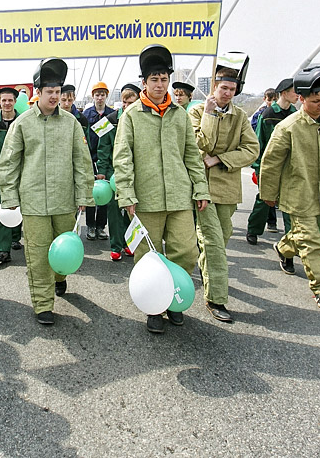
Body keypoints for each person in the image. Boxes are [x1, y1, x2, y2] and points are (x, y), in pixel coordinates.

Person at [114, 45, 209, 334]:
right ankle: (153, 308)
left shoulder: (180, 113)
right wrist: (126, 194)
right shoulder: (131, 115)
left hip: (180, 196)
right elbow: (122, 156)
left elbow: (191, 154)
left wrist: (200, 188)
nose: (159, 84)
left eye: (164, 79)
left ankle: (172, 301)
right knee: (148, 258)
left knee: (186, 251)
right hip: (146, 199)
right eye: (154, 79)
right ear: (144, 82)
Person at [0, 58, 94, 326]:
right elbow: (8, 162)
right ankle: (42, 304)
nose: (55, 96)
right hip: (34, 203)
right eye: (49, 91)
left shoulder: (71, 123)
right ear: (38, 92)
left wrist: (84, 195)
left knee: (64, 250)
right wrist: (10, 198)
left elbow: (82, 160)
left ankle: (60, 277)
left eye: (58, 92)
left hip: (65, 201)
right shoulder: (23, 123)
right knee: (39, 255)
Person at [259, 66, 320, 312]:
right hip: (299, 195)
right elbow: (271, 163)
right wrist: (269, 194)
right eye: (316, 101)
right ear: (302, 99)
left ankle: (283, 248)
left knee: (306, 236)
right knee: (310, 241)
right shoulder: (288, 127)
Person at [188, 54, 259, 323]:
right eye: (223, 88)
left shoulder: (240, 116)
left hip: (228, 188)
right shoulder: (196, 112)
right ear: (214, 87)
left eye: (232, 89)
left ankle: (208, 274)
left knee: (222, 236)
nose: (228, 93)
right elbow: (196, 145)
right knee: (213, 242)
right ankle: (216, 298)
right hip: (202, 188)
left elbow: (252, 149)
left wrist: (221, 158)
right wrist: (207, 114)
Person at [246, 78, 297, 243]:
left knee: (290, 202)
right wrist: (259, 166)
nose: (297, 94)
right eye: (294, 91)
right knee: (264, 198)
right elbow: (259, 141)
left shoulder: (295, 113)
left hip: (290, 167)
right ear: (284, 93)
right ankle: (253, 230)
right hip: (269, 165)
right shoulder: (268, 114)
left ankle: (291, 238)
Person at [95, 84, 140, 260]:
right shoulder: (108, 120)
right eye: (124, 102)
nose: (127, 106)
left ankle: (131, 243)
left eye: (131, 102)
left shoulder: (141, 119)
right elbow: (102, 148)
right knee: (113, 210)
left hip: (135, 172)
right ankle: (116, 245)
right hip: (114, 173)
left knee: (132, 209)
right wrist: (102, 172)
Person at [0, 87, 23, 264]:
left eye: (10, 100)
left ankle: (15, 236)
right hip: (0, 175)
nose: (7, 103)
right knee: (0, 209)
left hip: (22, 173)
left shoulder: (23, 122)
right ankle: (0, 249)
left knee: (20, 209)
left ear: (15, 102)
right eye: (4, 100)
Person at [83, 82, 115, 241]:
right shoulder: (87, 115)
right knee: (91, 193)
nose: (100, 97)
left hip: (105, 159)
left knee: (104, 194)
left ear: (106, 96)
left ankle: (101, 226)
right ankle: (90, 225)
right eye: (97, 94)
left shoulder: (111, 114)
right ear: (93, 96)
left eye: (103, 94)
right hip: (89, 157)